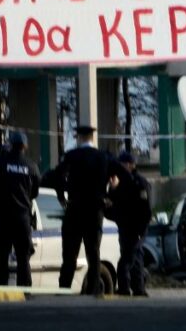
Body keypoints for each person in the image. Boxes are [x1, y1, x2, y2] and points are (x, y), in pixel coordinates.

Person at [0, 131, 40, 286]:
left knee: (1, 259)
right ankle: (24, 293)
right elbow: (35, 192)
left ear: (10, 144)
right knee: (23, 259)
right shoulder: (31, 166)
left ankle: (1, 294)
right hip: (23, 218)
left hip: (3, 218)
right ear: (25, 146)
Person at [55, 124, 114, 294]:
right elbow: (118, 175)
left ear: (79, 137)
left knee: (70, 254)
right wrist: (109, 197)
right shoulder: (103, 157)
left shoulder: (71, 156)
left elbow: (58, 175)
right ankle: (94, 289)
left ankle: (64, 287)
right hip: (95, 210)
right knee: (93, 253)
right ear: (92, 137)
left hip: (75, 209)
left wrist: (61, 195)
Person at [107, 151, 152, 296]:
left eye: (123, 164)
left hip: (136, 228)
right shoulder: (120, 182)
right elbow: (113, 205)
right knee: (136, 258)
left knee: (127, 258)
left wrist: (141, 230)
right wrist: (112, 189)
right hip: (124, 227)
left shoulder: (139, 183)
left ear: (130, 165)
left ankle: (125, 287)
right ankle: (138, 288)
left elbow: (146, 209)